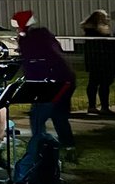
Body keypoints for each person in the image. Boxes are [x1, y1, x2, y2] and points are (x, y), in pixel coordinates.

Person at [12, 10, 76, 160]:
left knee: (37, 117)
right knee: (59, 116)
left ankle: (39, 148)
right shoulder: (44, 35)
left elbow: (31, 63)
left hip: (48, 83)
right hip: (66, 79)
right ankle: (68, 146)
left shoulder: (28, 39)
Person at [81, 10, 115, 116]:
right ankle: (104, 107)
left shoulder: (89, 31)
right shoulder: (100, 31)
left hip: (93, 61)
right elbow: (107, 45)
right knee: (104, 83)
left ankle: (92, 106)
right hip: (104, 61)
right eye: (106, 17)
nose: (108, 19)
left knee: (93, 83)